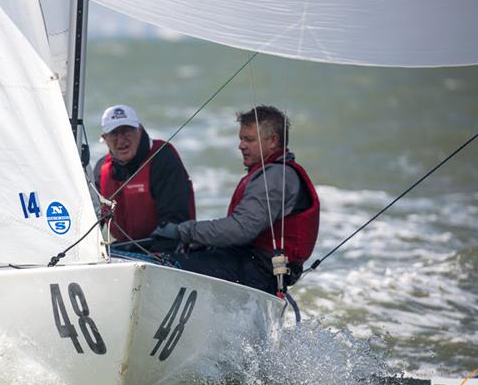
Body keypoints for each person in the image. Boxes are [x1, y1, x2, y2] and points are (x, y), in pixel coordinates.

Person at [152, 105, 319, 294]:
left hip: (261, 272)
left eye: (249, 139)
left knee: (167, 266)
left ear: (273, 141)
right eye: (241, 139)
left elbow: (242, 229)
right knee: (171, 256)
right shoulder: (270, 172)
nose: (241, 145)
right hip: (248, 262)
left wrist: (183, 231)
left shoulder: (275, 176)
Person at [94, 104, 195, 250]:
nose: (121, 140)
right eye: (114, 133)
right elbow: (93, 219)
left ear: (139, 130)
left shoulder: (163, 158)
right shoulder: (102, 169)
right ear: (104, 138)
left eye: (127, 131)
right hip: (125, 249)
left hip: (168, 248)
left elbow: (174, 222)